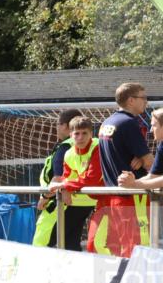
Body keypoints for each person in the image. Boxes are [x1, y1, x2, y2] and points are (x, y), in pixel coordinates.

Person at [52, 83, 153, 257]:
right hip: (132, 194)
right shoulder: (129, 123)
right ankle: (134, 282)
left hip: (109, 195)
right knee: (136, 245)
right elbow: (150, 163)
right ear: (131, 100)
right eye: (143, 98)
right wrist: (145, 159)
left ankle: (112, 280)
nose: (146, 102)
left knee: (104, 244)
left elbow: (119, 155)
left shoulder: (107, 122)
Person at [31, 109, 91, 250]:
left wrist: (45, 197)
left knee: (42, 243)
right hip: (83, 202)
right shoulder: (89, 145)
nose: (56, 128)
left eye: (57, 124)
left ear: (64, 126)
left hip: (62, 202)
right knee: (70, 244)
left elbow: (58, 178)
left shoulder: (65, 146)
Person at [119, 107, 163, 190]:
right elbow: (153, 176)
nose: (150, 130)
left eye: (154, 125)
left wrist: (134, 184)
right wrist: (129, 183)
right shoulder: (161, 145)